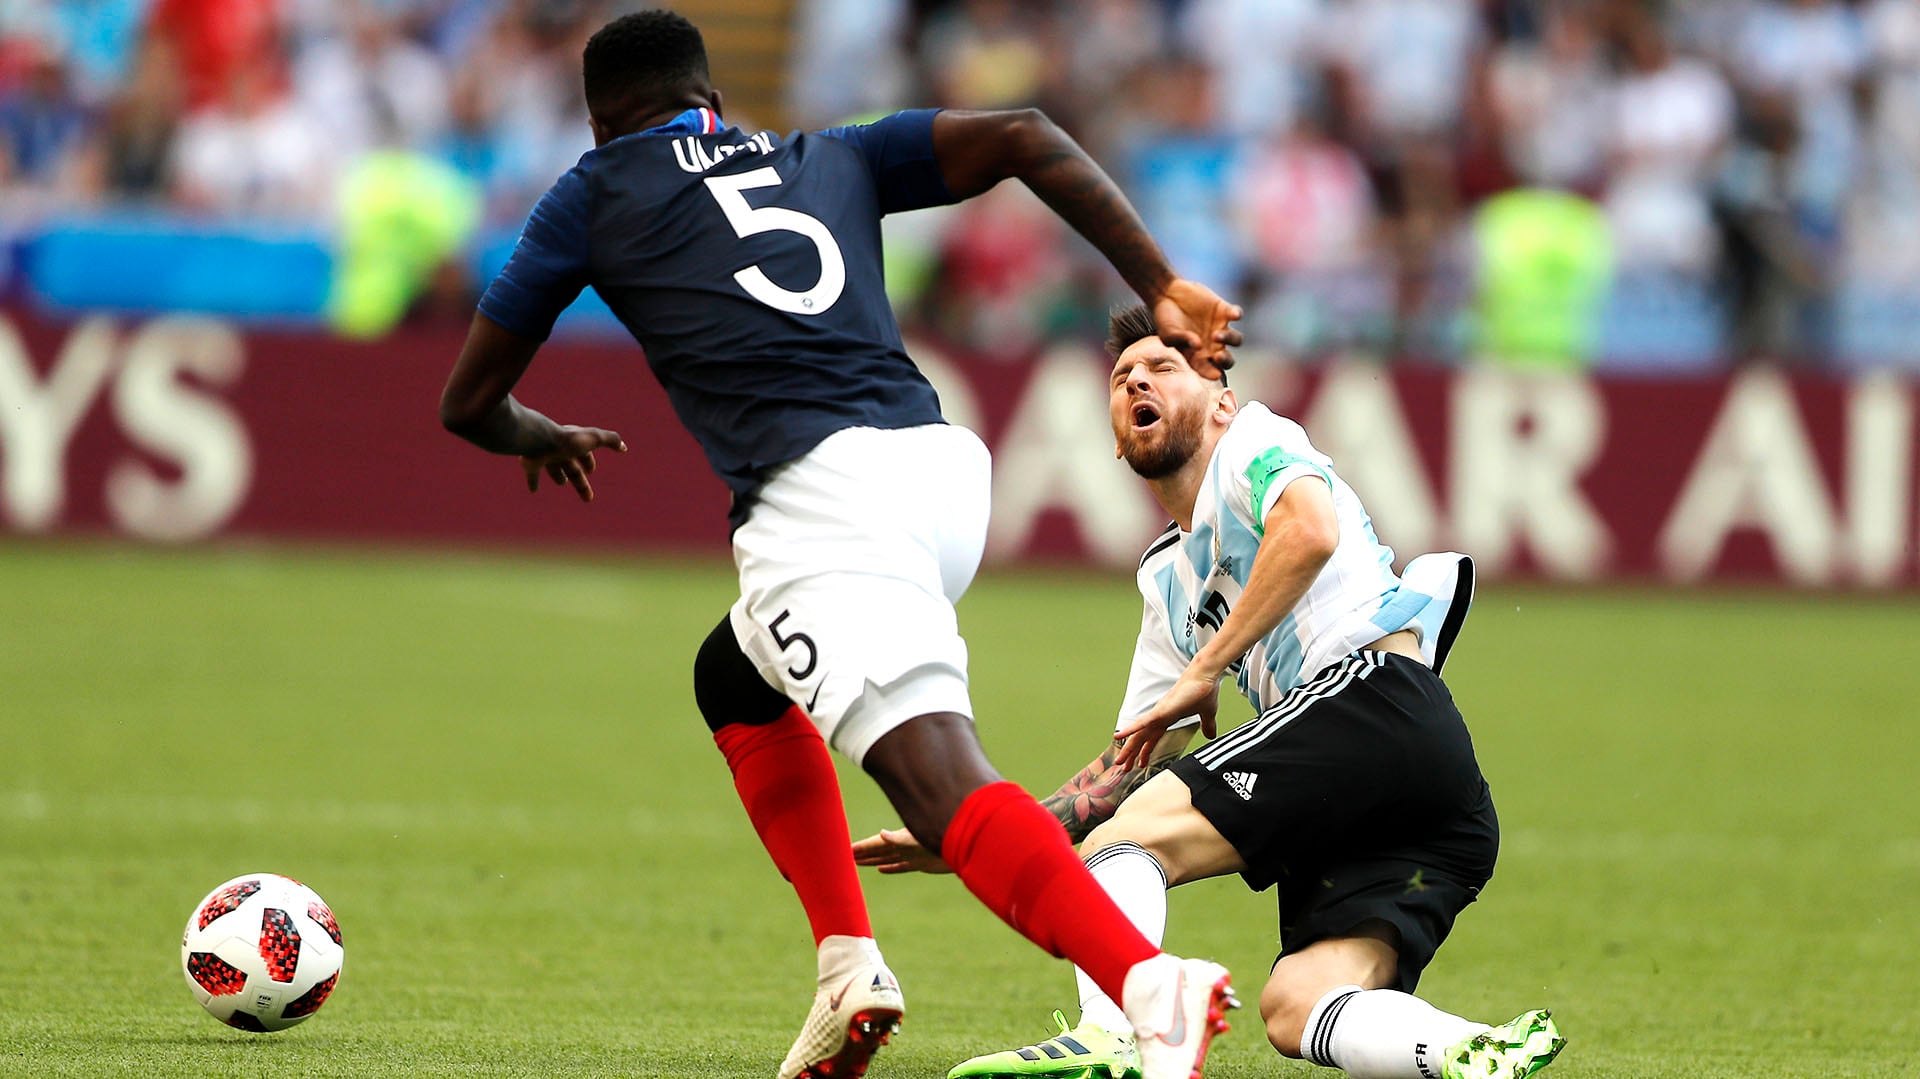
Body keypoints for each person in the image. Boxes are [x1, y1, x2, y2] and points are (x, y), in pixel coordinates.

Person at [436, 12, 1246, 1079]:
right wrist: (1160, 284)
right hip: (940, 469)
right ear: (711, 96)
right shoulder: (823, 152)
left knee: (941, 789)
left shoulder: (592, 193)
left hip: (822, 503)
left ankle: (1148, 982)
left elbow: (468, 401)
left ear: (600, 122)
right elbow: (1024, 131)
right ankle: (847, 964)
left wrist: (535, 432)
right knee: (734, 674)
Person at [853, 305, 1566, 1079]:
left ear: (1221, 398)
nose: (1136, 383)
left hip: (1373, 696)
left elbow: (1311, 530)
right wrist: (976, 838)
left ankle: (1115, 1031)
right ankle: (1465, 1050)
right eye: (1123, 380)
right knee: (1299, 1005)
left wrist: (1205, 669)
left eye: (1162, 368)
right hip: (1418, 795)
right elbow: (1119, 773)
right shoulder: (1168, 583)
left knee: (1129, 840)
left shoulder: (1255, 443)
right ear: (1118, 442)